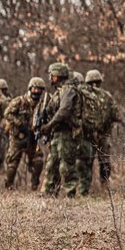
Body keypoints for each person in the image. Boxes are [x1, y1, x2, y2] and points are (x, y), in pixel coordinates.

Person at [81, 69, 125, 187]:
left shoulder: (106, 96)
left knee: (105, 161)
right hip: (88, 134)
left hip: (103, 134)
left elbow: (115, 113)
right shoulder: (84, 96)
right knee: (87, 160)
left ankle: (104, 184)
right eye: (92, 83)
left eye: (96, 82)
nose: (94, 85)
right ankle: (85, 186)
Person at [40, 62, 82, 198]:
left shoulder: (69, 89)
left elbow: (64, 111)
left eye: (52, 75)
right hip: (57, 133)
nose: (50, 77)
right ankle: (49, 192)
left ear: (58, 75)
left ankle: (71, 194)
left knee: (67, 165)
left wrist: (49, 126)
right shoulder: (59, 91)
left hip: (67, 133)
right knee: (52, 164)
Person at [3, 77, 45, 190]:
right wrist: (20, 124)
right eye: (34, 89)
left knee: (38, 161)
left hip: (32, 138)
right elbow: (7, 114)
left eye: (39, 90)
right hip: (18, 137)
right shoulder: (19, 101)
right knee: (12, 164)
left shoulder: (42, 105)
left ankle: (34, 185)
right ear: (30, 89)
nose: (36, 92)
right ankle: (8, 187)